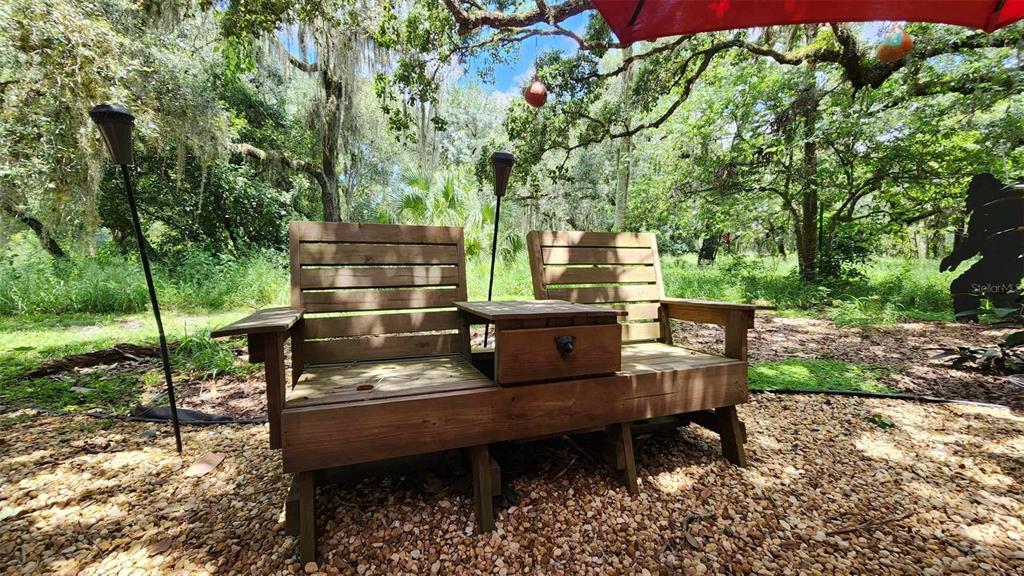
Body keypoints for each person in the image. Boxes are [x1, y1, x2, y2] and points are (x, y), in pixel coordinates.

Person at [940, 173, 1024, 321]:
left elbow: (974, 243)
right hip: (1007, 259)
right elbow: (974, 243)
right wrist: (954, 258)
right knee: (999, 289)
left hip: (1003, 258)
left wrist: (953, 258)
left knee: (962, 286)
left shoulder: (986, 208)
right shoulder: (1008, 201)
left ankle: (968, 323)